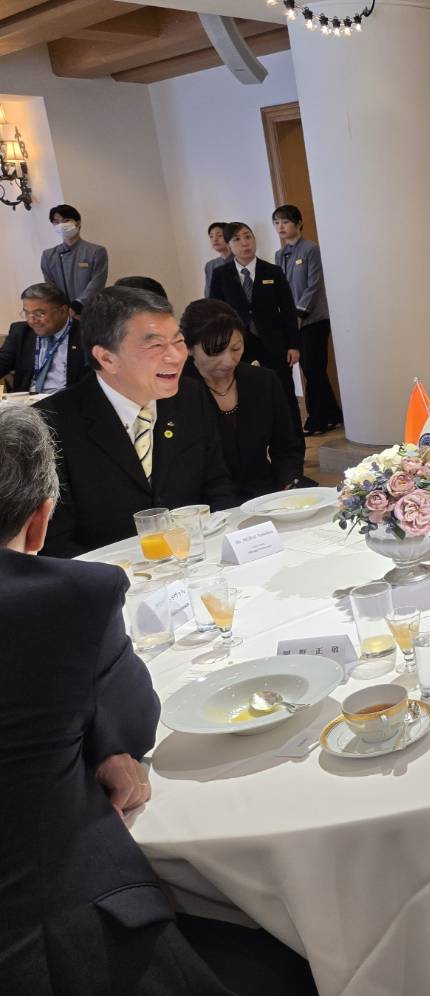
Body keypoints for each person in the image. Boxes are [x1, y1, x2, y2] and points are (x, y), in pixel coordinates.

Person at [0, 404, 316, 996]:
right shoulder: (65, 599)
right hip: (56, 947)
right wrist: (100, 747)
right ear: (42, 522)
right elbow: (136, 723)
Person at [36, 286, 236, 557]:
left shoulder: (190, 397)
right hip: (107, 583)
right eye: (156, 345)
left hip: (197, 563)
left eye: (178, 342)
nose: (177, 357)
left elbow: (218, 486)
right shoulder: (49, 424)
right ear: (106, 358)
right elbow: (54, 541)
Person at [181, 299, 310, 501]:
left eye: (235, 348)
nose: (228, 360)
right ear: (188, 348)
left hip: (263, 496)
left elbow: (286, 447)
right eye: (215, 351)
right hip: (207, 506)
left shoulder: (263, 381)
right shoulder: (177, 393)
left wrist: (289, 483)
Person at [208, 221, 301, 423]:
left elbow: (287, 310)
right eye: (237, 239)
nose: (245, 243)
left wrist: (293, 344)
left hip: (275, 344)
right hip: (238, 346)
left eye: (248, 236)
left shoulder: (273, 271)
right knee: (247, 397)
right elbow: (216, 312)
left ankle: (294, 449)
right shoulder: (220, 274)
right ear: (229, 245)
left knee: (285, 395)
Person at [274, 204, 342, 436]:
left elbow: (314, 285)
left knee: (314, 368)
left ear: (298, 223)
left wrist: (300, 313)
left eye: (285, 222)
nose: (281, 227)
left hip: (313, 318)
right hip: (292, 321)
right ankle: (332, 414)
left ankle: (318, 418)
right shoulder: (279, 254)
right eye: (277, 223)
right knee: (310, 370)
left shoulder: (311, 249)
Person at [0, 282, 84, 394]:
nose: (32, 320)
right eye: (27, 313)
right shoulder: (21, 332)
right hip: (25, 405)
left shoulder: (85, 335)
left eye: (39, 314)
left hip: (67, 403)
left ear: (63, 311)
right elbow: (3, 362)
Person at [40, 203, 108, 310]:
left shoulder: (96, 251)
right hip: (62, 311)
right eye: (56, 222)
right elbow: (50, 286)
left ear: (78, 222)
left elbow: (97, 283)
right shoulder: (48, 255)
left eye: (66, 220)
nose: (61, 225)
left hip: (90, 309)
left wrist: (79, 303)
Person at [203, 220, 232, 295]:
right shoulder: (210, 265)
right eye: (211, 236)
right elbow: (208, 293)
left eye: (219, 235)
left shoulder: (240, 260)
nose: (214, 239)